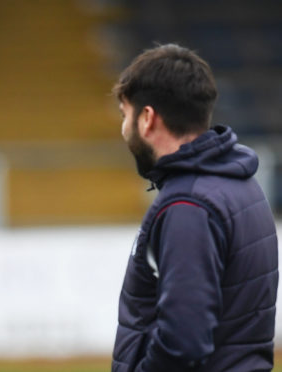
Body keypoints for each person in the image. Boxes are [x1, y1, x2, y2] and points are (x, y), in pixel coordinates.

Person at [111, 44, 278, 371]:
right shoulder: (240, 184)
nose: (123, 128)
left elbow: (183, 342)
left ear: (147, 118)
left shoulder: (188, 205)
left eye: (124, 115)